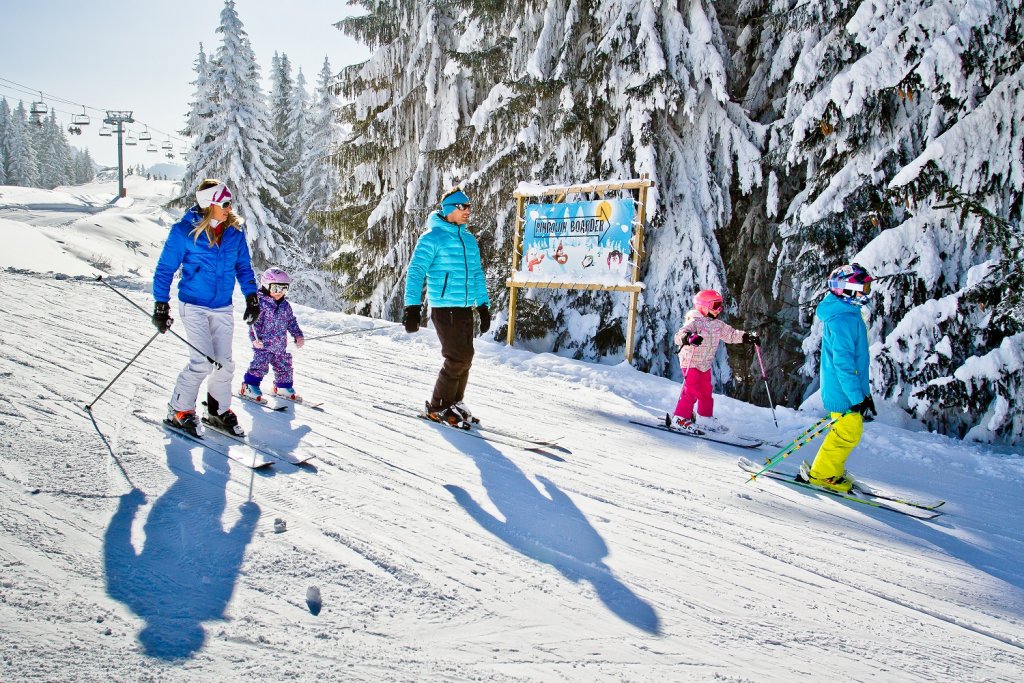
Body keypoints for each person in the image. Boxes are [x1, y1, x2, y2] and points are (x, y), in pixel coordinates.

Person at [152, 179, 260, 436]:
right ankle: (179, 410)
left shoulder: (234, 232)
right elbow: (165, 269)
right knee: (201, 362)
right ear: (209, 204)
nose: (228, 207)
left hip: (222, 306)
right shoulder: (183, 232)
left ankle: (217, 410)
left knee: (225, 363)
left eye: (229, 202)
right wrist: (160, 305)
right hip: (194, 305)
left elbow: (243, 267)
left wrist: (251, 297)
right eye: (223, 203)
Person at [402, 187, 490, 428]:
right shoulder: (432, 238)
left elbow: (477, 274)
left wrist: (483, 305)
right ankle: (438, 406)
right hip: (444, 308)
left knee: (466, 358)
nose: (468, 211)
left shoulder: (468, 240)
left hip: (464, 308)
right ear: (450, 209)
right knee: (456, 358)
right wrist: (412, 307)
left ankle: (454, 402)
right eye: (464, 207)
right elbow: (416, 272)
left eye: (469, 206)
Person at [797, 263, 875, 493]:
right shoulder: (842, 320)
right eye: (864, 288)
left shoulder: (848, 314)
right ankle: (822, 474)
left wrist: (864, 395)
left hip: (848, 390)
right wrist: (856, 396)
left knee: (846, 431)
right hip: (843, 392)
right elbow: (843, 364)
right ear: (848, 290)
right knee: (847, 433)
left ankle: (831, 469)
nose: (867, 293)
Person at [669, 289, 758, 434]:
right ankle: (680, 418)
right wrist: (689, 338)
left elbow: (731, 335)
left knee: (705, 392)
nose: (719, 309)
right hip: (690, 361)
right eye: (716, 305)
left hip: (705, 364)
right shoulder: (694, 321)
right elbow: (680, 335)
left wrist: (746, 337)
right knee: (690, 390)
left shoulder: (717, 324)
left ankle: (705, 418)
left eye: (720, 305)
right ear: (703, 306)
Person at [240, 267, 305, 403]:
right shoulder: (260, 304)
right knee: (259, 366)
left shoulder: (285, 306)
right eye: (276, 288)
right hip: (263, 345)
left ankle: (282, 387)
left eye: (284, 289)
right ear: (266, 285)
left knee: (285, 367)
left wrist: (298, 335)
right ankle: (249, 386)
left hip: (280, 346)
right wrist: (255, 340)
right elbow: (254, 325)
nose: (279, 293)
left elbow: (291, 321)